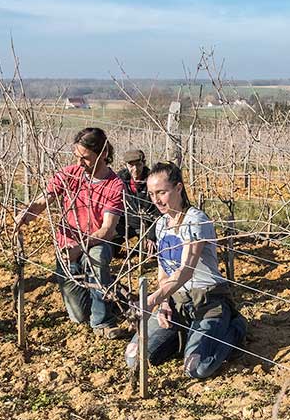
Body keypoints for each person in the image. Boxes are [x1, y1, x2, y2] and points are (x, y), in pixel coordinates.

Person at [125, 162, 247, 378]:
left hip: (208, 303)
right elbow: (164, 271)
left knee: (196, 369)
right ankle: (185, 336)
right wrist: (163, 303)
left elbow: (185, 271)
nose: (156, 200)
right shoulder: (161, 224)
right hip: (177, 303)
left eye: (162, 192)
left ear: (178, 188)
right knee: (134, 355)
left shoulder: (195, 221)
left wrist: (151, 300)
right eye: (152, 194)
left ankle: (234, 330)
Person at [15, 128, 125, 339]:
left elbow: (108, 230)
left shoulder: (115, 185)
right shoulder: (69, 174)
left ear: (102, 154)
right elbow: (43, 200)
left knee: (96, 257)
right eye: (77, 157)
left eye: (85, 158)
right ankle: (100, 294)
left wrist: (81, 247)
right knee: (77, 315)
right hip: (67, 244)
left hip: (95, 243)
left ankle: (102, 320)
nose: (80, 163)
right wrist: (28, 213)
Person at [114, 149, 159, 257]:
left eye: (138, 164)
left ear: (144, 163)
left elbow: (159, 213)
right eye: (131, 165)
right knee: (109, 248)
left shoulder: (153, 180)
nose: (135, 169)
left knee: (150, 252)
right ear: (125, 165)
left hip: (149, 224)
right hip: (126, 223)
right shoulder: (120, 179)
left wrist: (152, 236)